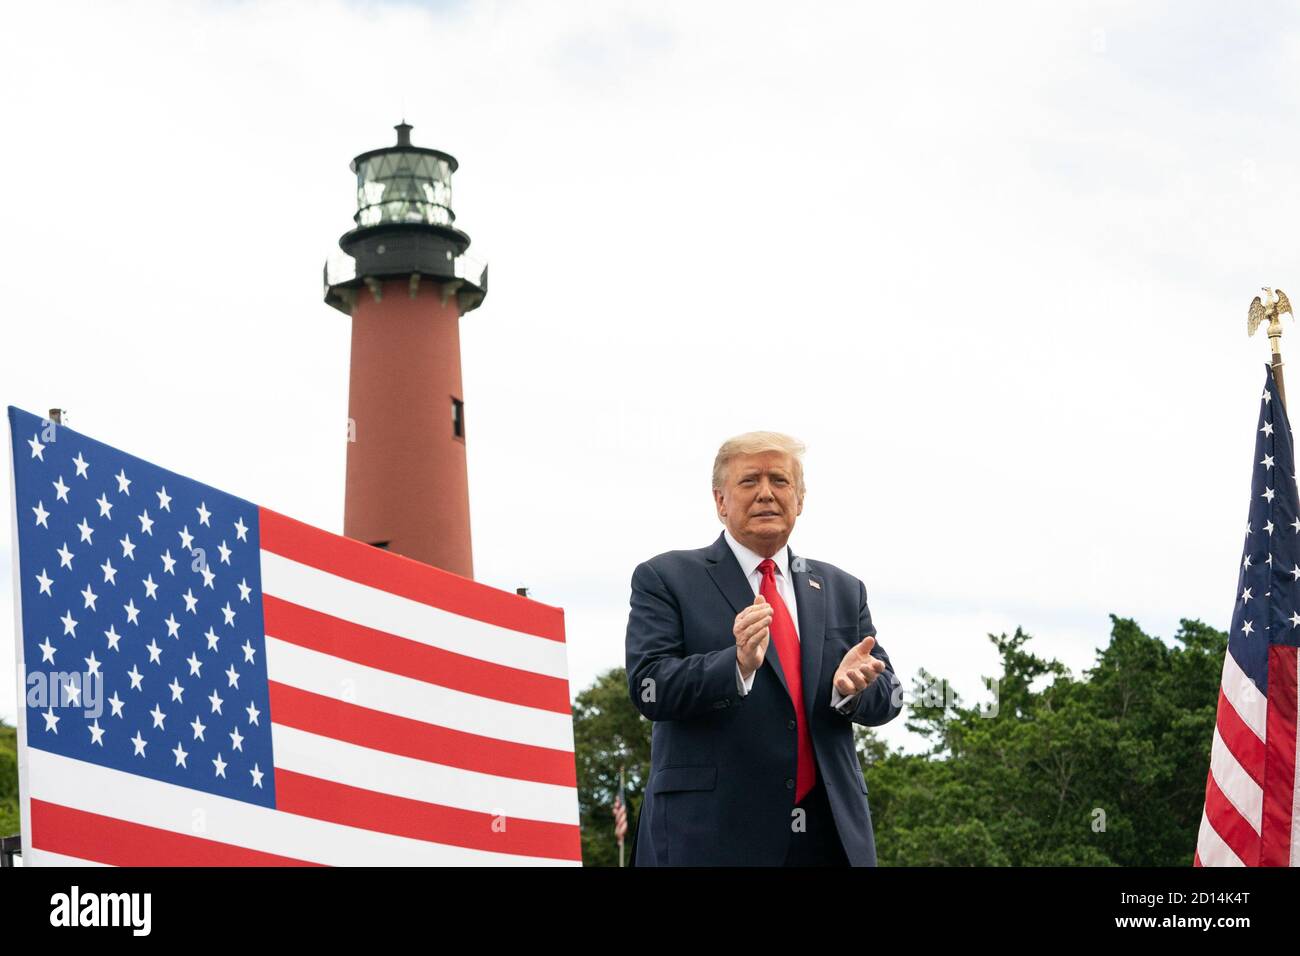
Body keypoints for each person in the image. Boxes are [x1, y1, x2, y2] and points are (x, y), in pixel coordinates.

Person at [624, 431, 901, 866]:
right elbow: (648, 687)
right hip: (711, 834)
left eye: (780, 481)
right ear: (720, 500)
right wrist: (735, 665)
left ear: (801, 498)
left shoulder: (843, 589)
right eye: (750, 481)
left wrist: (853, 688)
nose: (767, 494)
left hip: (825, 835)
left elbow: (889, 696)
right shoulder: (666, 578)